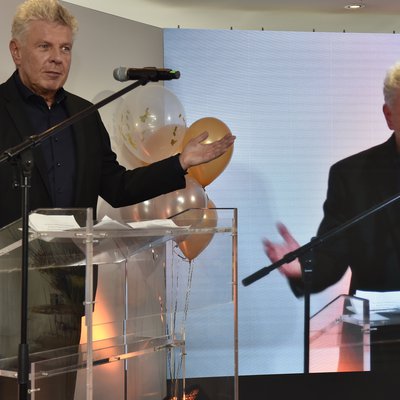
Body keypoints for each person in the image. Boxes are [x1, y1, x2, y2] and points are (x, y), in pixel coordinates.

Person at [0, 0, 235, 398]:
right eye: (45, 47)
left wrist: (180, 162)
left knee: (56, 390)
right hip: (7, 285)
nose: (57, 58)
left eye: (65, 48)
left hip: (66, 287)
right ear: (16, 51)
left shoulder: (84, 115)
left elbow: (118, 186)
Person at [263, 61, 400, 372]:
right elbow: (333, 255)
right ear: (389, 115)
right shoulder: (352, 175)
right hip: (372, 332)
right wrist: (302, 267)